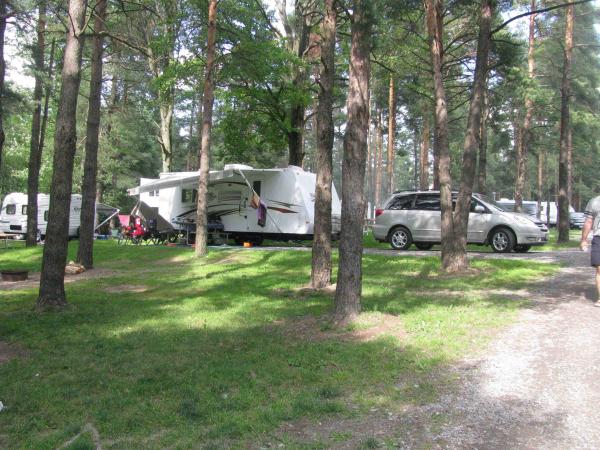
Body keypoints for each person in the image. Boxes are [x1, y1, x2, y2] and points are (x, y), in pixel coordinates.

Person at [580, 195, 600, 306]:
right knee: (599, 268)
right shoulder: (594, 201)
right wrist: (583, 240)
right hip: (599, 237)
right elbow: (588, 222)